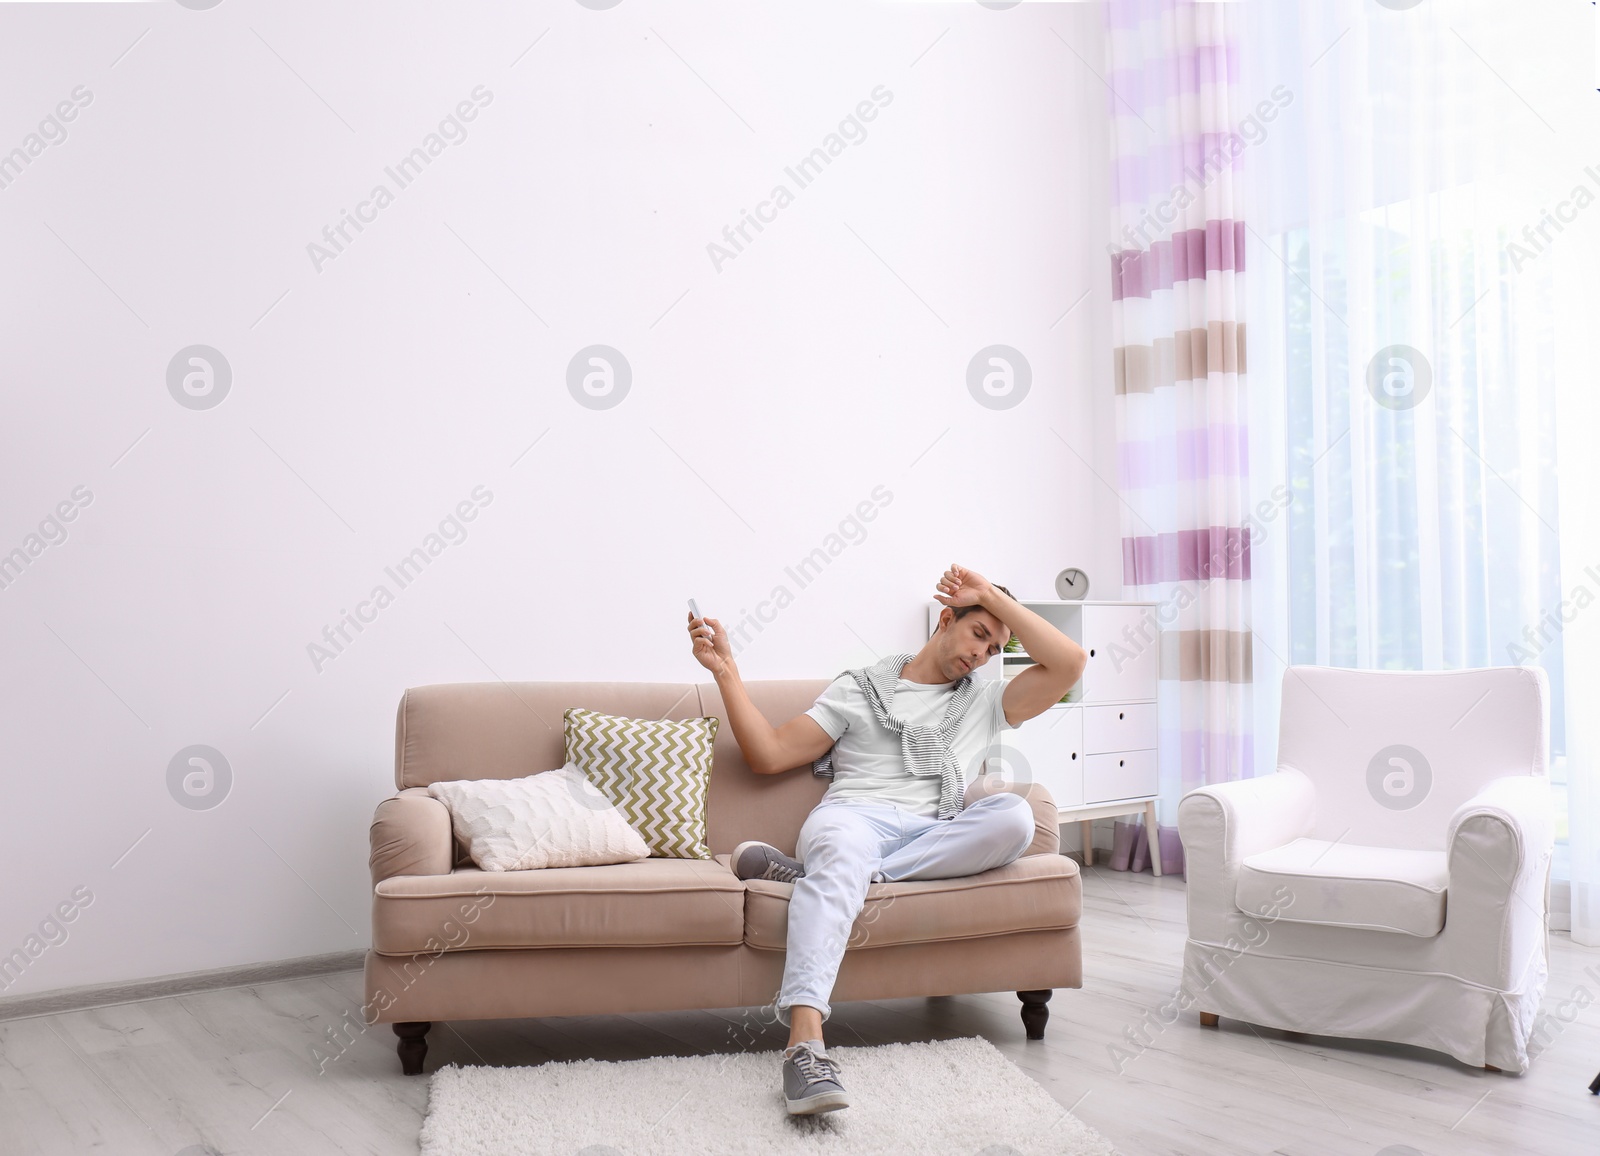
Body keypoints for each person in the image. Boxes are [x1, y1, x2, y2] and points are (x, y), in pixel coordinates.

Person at [685, 563, 1087, 1115]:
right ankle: (806, 1047)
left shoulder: (986, 703)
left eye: (995, 648)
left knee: (1015, 819)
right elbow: (769, 755)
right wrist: (725, 669)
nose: (982, 655)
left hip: (932, 832)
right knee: (844, 848)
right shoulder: (858, 689)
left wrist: (992, 598)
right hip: (852, 818)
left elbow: (1070, 663)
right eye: (977, 634)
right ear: (945, 619)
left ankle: (826, 879)